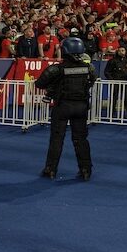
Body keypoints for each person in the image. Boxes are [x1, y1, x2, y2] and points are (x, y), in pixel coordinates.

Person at [35, 37, 97, 180]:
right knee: (81, 139)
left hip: (63, 106)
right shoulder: (89, 68)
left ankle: (50, 169)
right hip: (81, 106)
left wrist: (55, 85)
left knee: (57, 139)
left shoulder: (56, 69)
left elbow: (40, 84)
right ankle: (85, 170)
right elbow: (91, 81)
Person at [103, 46, 127, 118]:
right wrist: (112, 80)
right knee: (114, 99)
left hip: (125, 82)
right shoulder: (112, 61)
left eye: (123, 50)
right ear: (117, 52)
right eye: (120, 50)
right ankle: (111, 114)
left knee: (126, 99)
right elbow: (107, 72)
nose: (122, 52)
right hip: (115, 82)